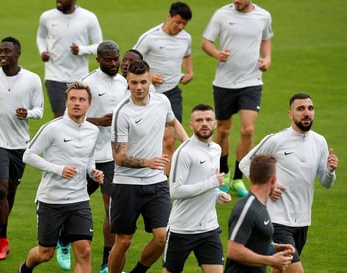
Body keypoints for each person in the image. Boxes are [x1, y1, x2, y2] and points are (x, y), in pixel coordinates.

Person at [238, 93, 338, 273]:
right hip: (277, 220)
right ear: (290, 115)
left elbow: (326, 182)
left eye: (310, 108)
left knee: (280, 270)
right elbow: (246, 163)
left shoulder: (319, 141)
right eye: (300, 109)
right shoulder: (276, 140)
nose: (306, 113)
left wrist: (330, 171)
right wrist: (268, 187)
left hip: (303, 220)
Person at [108, 60, 189, 273]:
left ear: (150, 78)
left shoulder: (162, 101)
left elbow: (172, 122)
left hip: (156, 182)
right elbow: (118, 156)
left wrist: (189, 144)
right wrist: (148, 162)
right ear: (127, 82)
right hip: (127, 184)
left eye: (143, 81)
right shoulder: (122, 112)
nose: (139, 87)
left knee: (163, 237)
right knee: (124, 241)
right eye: (134, 83)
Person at [55, 40, 128, 273]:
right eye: (109, 59)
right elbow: (68, 116)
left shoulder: (123, 82)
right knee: (72, 202)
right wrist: (97, 121)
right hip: (84, 155)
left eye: (116, 58)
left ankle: (107, 262)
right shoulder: (87, 83)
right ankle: (64, 240)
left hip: (109, 156)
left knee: (111, 208)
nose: (114, 63)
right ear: (98, 59)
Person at [17, 81, 104, 273]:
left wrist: (93, 172)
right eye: (72, 99)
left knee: (85, 251)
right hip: (51, 200)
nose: (77, 103)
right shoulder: (52, 128)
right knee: (45, 253)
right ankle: (25, 268)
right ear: (66, 101)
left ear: (89, 104)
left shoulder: (93, 131)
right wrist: (58, 169)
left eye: (82, 99)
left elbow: (88, 160)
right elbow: (28, 155)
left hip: (79, 199)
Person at [0, 36, 44, 260]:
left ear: (18, 54)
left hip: (19, 144)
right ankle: (2, 240)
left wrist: (28, 114)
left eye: (7, 52)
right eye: (0, 51)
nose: (2, 55)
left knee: (11, 191)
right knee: (1, 188)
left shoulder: (32, 79)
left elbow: (39, 110)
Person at [201, 0, 273, 197]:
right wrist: (217, 53)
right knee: (223, 130)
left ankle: (238, 178)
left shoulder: (263, 16)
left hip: (251, 82)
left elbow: (266, 39)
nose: (237, 1)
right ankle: (223, 174)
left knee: (248, 130)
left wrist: (267, 58)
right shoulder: (222, 14)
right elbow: (205, 42)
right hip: (224, 83)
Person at [162, 104, 231, 273]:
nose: (204, 123)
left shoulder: (216, 149)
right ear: (191, 126)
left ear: (215, 123)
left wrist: (217, 194)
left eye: (208, 120)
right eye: (199, 120)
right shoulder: (184, 152)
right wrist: (212, 184)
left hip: (209, 228)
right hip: (182, 229)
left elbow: (204, 181)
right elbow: (176, 191)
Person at [134, 2, 193, 175]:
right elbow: (132, 61)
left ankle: (163, 184)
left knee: (169, 140)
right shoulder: (150, 38)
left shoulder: (186, 38)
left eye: (184, 24)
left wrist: (190, 71)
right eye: (177, 22)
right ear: (168, 17)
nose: (180, 27)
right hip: (149, 95)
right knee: (147, 139)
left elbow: (187, 54)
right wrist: (149, 76)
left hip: (172, 93)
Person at [225, 154, 295, 273]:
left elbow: (253, 244)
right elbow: (234, 250)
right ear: (273, 179)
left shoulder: (260, 205)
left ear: (251, 177)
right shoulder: (247, 208)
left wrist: (275, 248)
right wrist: (271, 261)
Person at [37, 0, 103, 118]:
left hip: (80, 77)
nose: (58, 1)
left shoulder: (88, 17)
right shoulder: (47, 17)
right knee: (60, 116)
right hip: (54, 76)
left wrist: (81, 50)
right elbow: (41, 37)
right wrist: (43, 51)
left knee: (78, 116)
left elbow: (99, 45)